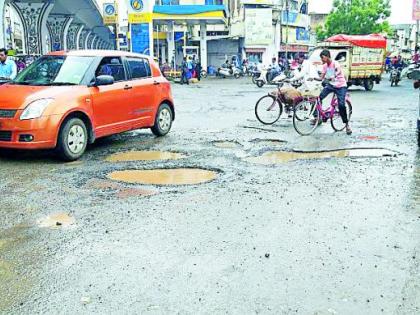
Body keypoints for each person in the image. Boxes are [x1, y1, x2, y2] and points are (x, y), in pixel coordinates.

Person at [315, 49, 352, 135]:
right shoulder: (324, 66)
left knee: (341, 105)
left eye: (323, 58)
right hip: (331, 85)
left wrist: (327, 78)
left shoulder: (336, 64)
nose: (322, 60)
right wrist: (313, 78)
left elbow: (334, 75)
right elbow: (321, 77)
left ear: (328, 56)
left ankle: (347, 125)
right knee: (319, 98)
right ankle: (319, 117)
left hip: (340, 86)